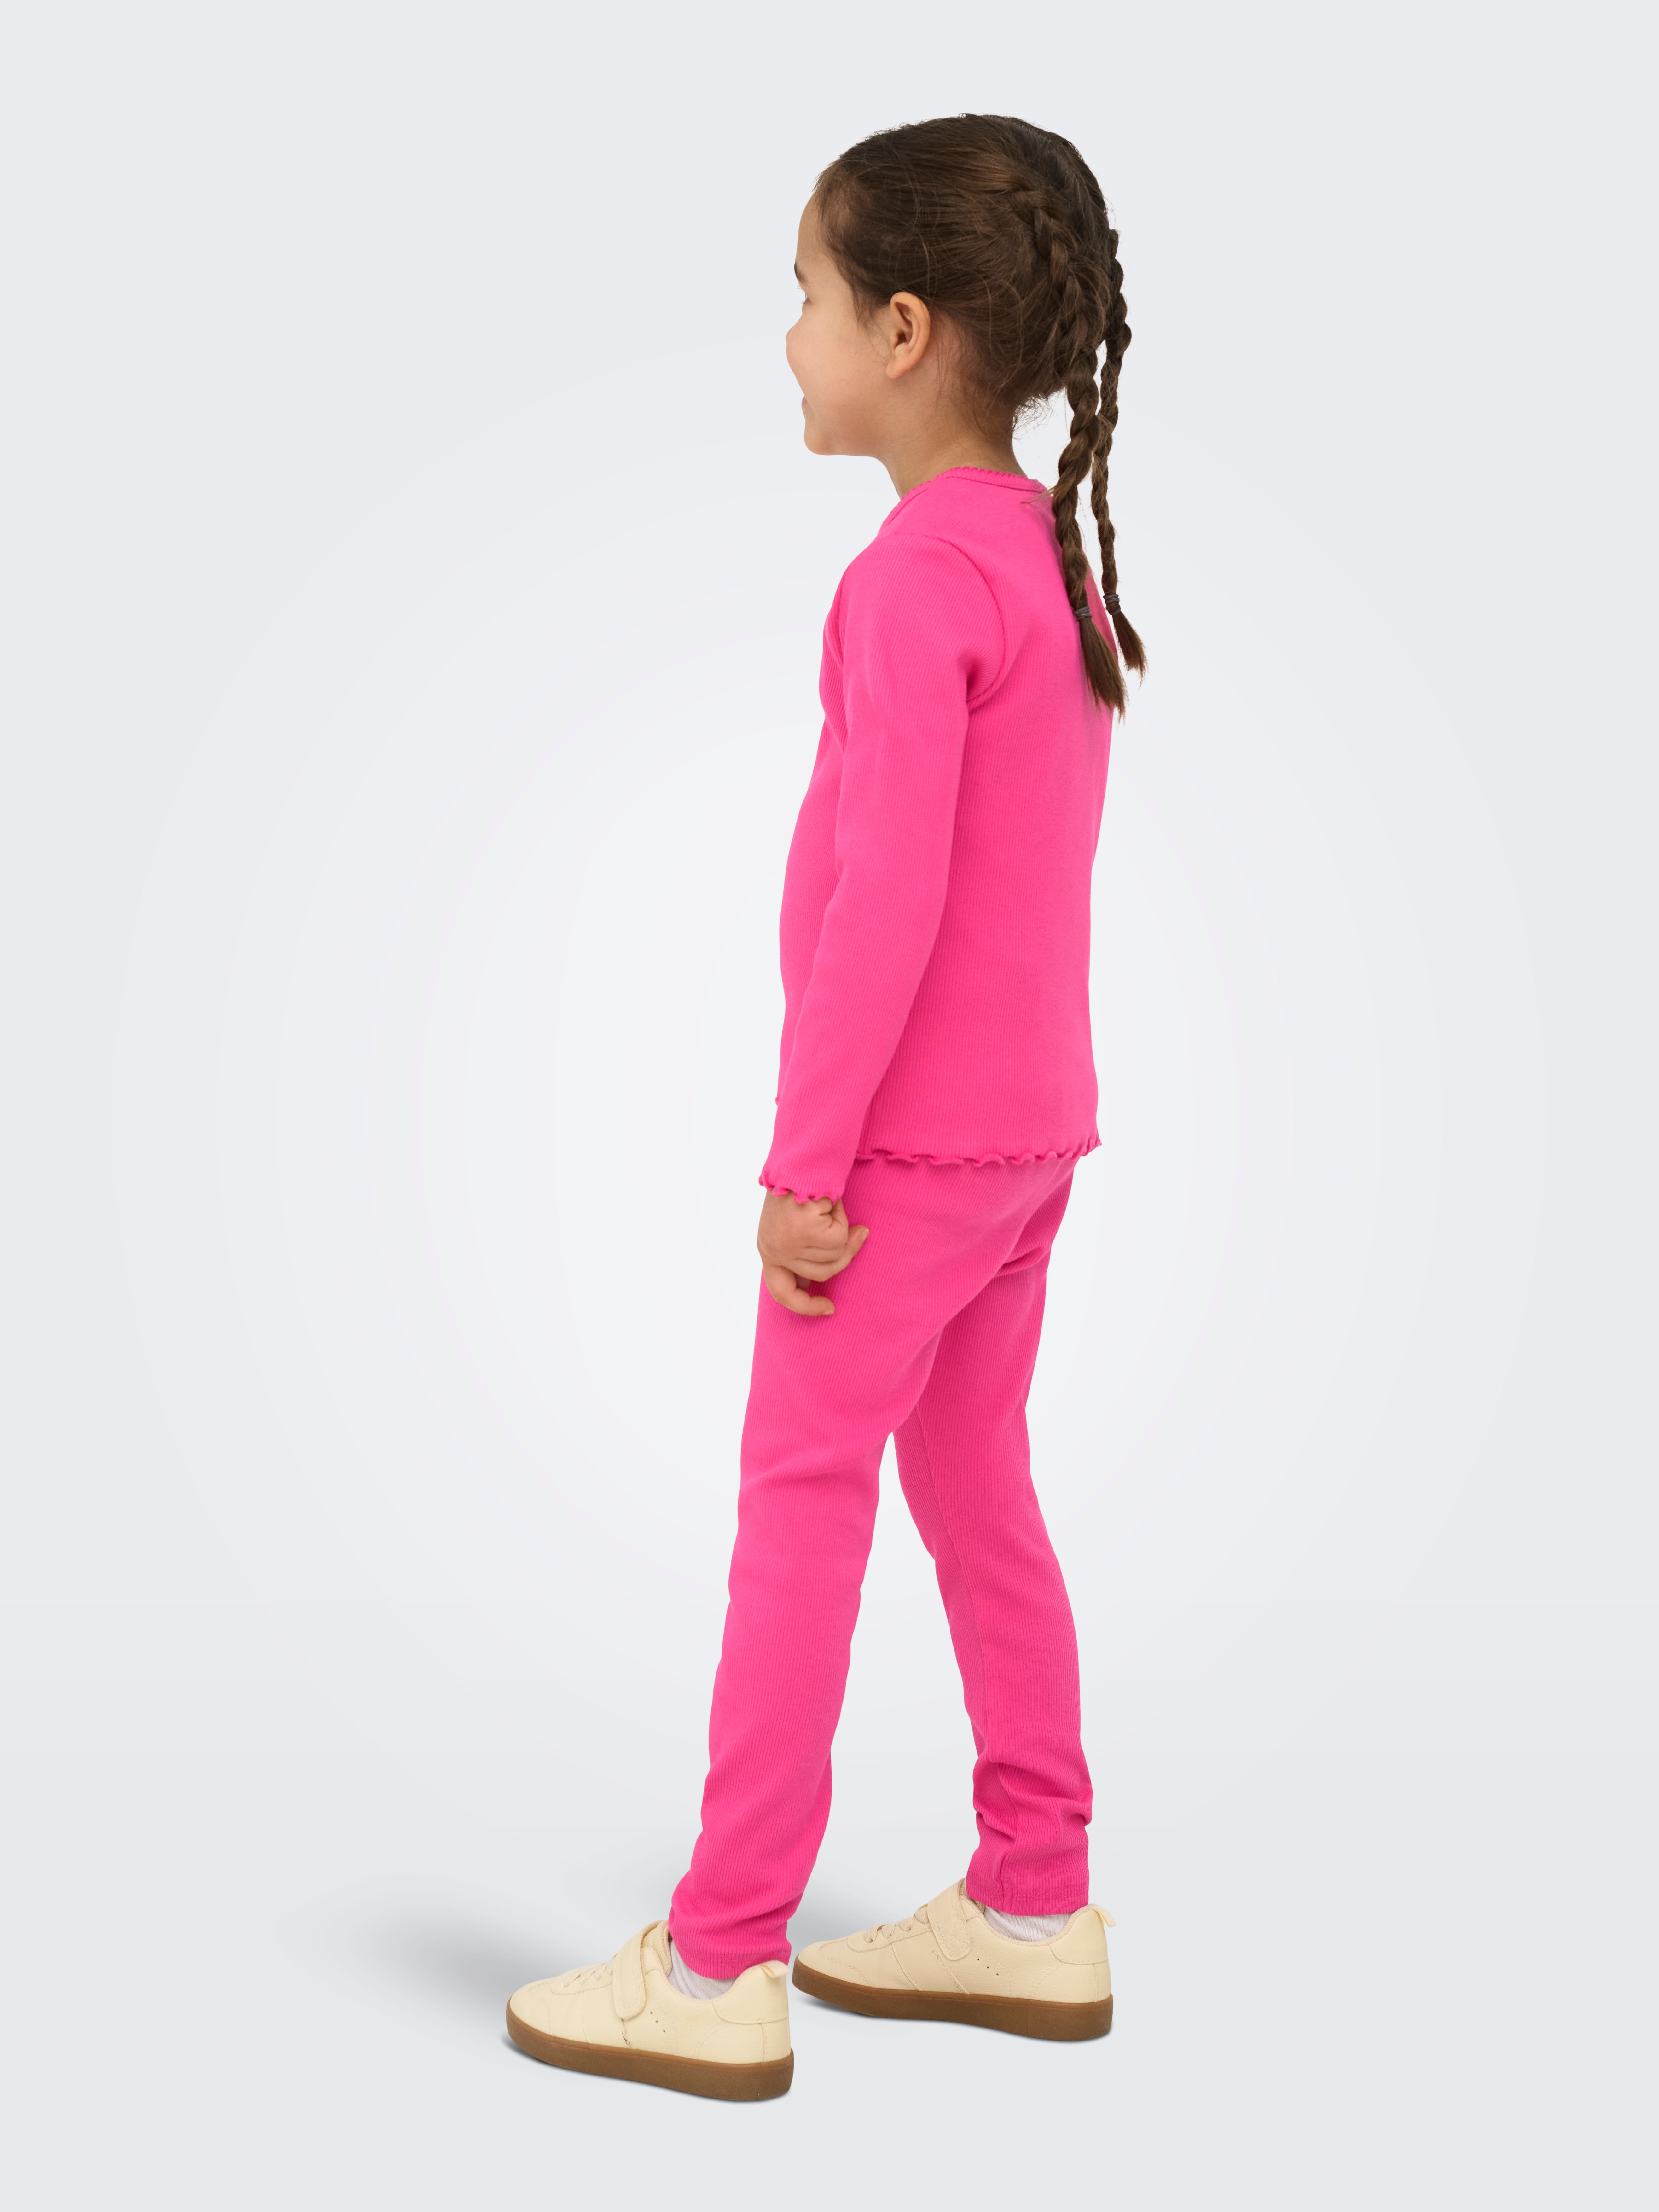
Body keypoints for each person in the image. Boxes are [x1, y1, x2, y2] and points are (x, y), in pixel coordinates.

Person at [506, 112, 1144, 2101]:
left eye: (803, 296)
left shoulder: (909, 578)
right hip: (1029, 1145)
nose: (786, 337)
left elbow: (890, 906)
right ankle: (1035, 1897)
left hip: (900, 1162)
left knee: (800, 1515)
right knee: (977, 1491)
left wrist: (806, 1172)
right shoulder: (1045, 553)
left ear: (902, 329)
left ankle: (719, 1959)